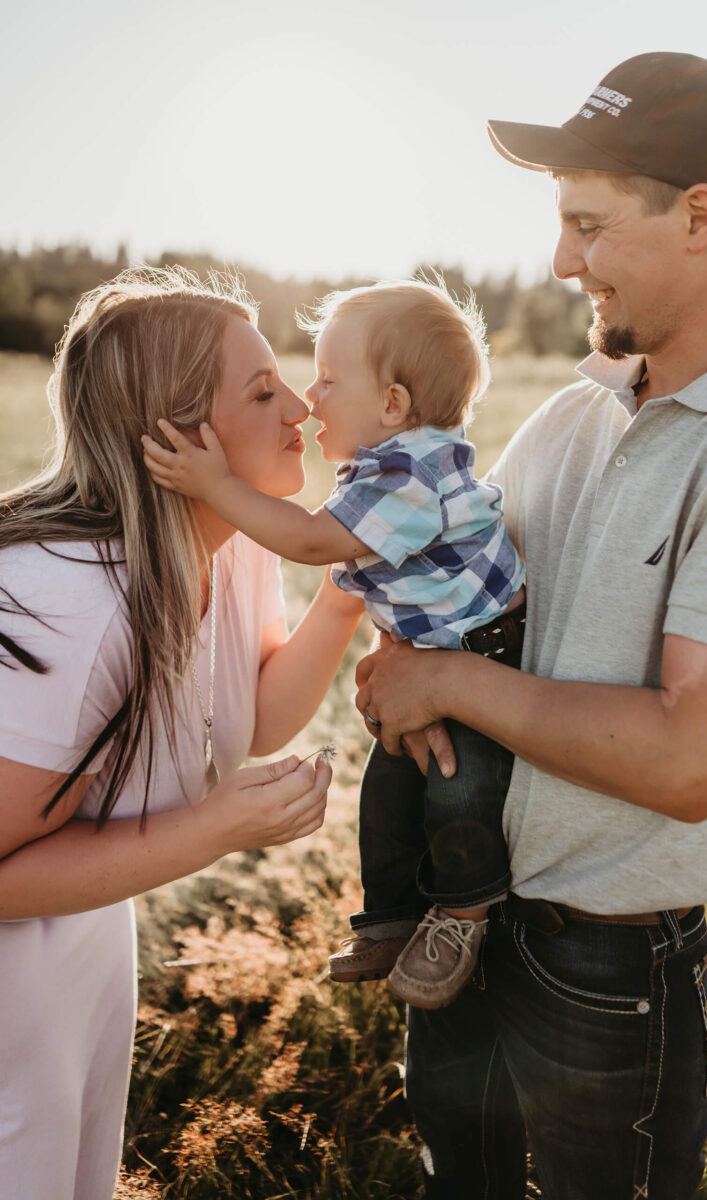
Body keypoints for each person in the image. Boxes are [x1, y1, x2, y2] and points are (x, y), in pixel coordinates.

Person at [352, 52, 707, 1200]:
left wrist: (443, 687)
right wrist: (400, 654)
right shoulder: (571, 410)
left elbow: (688, 759)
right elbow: (448, 592)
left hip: (605, 961)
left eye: (588, 226)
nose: (561, 262)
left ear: (696, 217)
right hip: (461, 920)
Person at [0, 267, 365, 1200]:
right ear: (174, 435)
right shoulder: (74, 602)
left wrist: (346, 588)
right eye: (263, 392)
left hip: (86, 940)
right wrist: (212, 831)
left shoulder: (230, 541)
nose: (300, 409)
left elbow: (252, 715)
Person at [141, 280, 526, 1009]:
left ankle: (464, 918)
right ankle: (392, 917)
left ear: (393, 404)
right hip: (441, 652)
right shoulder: (389, 465)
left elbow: (314, 540)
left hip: (485, 655)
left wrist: (216, 484)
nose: (309, 400)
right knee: (387, 791)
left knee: (461, 788)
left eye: (326, 380)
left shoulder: (408, 478)